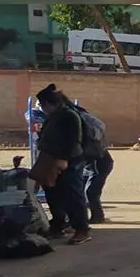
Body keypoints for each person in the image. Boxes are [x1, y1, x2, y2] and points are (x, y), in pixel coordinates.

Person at [31, 84, 93, 244]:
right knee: (53, 193)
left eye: (43, 105)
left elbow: (74, 140)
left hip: (69, 161)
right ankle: (59, 225)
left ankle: (81, 229)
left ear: (50, 103)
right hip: (51, 159)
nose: (42, 108)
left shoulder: (69, 116)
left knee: (72, 195)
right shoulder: (54, 116)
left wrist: (64, 159)